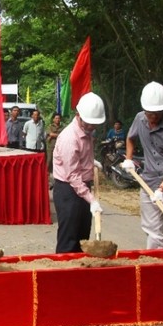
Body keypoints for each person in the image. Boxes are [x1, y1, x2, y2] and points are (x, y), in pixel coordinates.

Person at [123, 82, 163, 249]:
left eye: (157, 113)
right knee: (152, 231)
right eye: (150, 113)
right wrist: (129, 159)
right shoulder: (139, 118)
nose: (152, 117)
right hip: (148, 182)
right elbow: (131, 137)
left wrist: (162, 189)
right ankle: (154, 265)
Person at [52, 93, 106, 253]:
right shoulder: (69, 138)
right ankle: (63, 272)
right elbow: (73, 176)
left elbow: (82, 156)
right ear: (78, 116)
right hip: (68, 190)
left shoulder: (87, 131)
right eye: (89, 124)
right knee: (69, 238)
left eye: (94, 124)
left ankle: (80, 271)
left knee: (82, 236)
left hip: (82, 187)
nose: (91, 127)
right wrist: (92, 199)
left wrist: (91, 163)